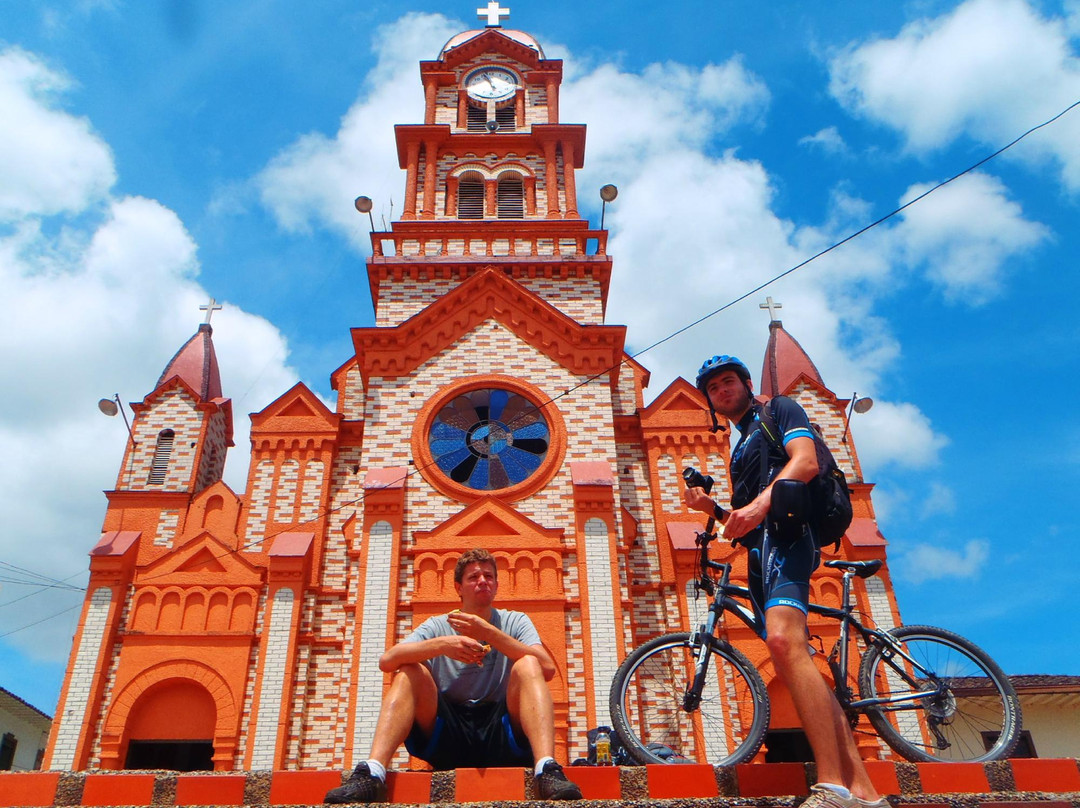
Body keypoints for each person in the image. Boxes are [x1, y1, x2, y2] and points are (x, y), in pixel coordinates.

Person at [683, 355, 887, 808]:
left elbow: (806, 462)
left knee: (782, 643)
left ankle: (831, 786)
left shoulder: (780, 410)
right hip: (762, 550)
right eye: (713, 388)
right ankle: (866, 794)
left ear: (745, 383)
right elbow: (743, 523)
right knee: (795, 659)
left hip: (791, 538)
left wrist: (759, 506)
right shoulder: (740, 448)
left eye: (728, 381)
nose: (722, 390)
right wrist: (711, 509)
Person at [325, 547, 582, 804]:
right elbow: (387, 661)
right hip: (449, 734)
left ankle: (546, 769)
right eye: (473, 577)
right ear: (459, 588)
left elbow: (547, 668)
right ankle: (373, 774)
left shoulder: (515, 621)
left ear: (496, 585)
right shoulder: (438, 625)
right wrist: (442, 645)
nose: (483, 581)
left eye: (489, 576)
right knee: (410, 670)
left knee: (529, 663)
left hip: (502, 732)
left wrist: (490, 633)